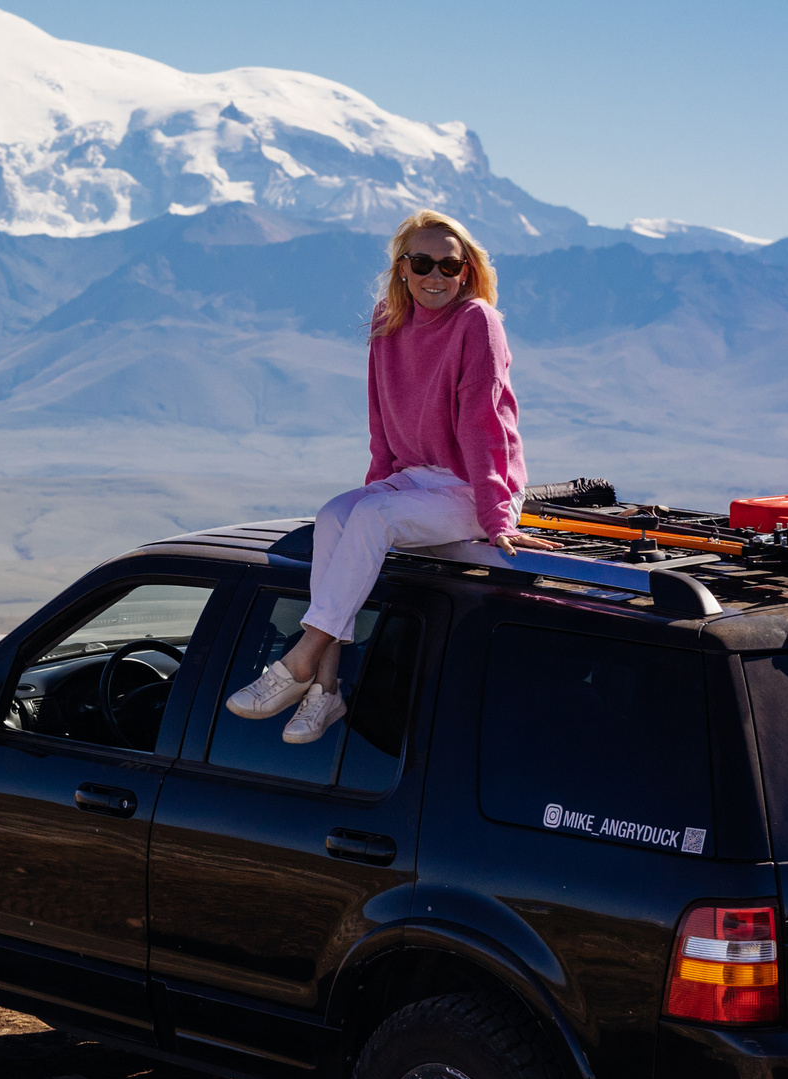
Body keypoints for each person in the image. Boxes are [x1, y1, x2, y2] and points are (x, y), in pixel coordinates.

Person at [227, 208, 554, 743]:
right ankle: (326, 689)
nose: (436, 276)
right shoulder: (388, 320)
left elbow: (483, 421)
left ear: (467, 271)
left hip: (472, 487)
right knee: (338, 514)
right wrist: (372, 485)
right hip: (413, 481)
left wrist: (497, 517)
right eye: (422, 262)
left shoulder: (478, 322)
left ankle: (302, 660)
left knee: (373, 517)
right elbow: (380, 417)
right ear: (402, 268)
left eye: (451, 266)